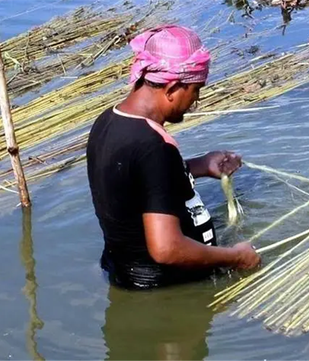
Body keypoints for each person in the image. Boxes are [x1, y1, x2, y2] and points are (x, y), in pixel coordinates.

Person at [86, 25, 261, 290]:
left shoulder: (108, 121)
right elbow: (167, 249)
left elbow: (136, 184)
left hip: (124, 273)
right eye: (195, 90)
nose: (196, 100)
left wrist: (200, 166)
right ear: (173, 88)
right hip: (165, 289)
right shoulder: (153, 146)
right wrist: (235, 256)